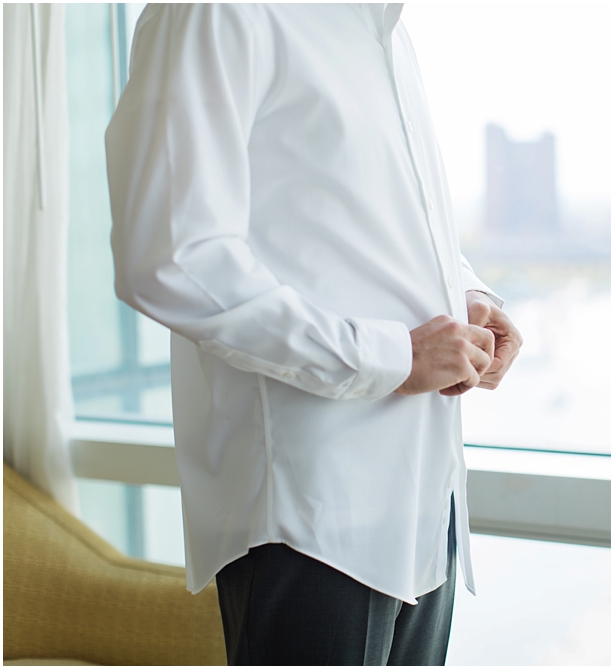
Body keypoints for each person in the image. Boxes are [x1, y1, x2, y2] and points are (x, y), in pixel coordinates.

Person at [106, 4, 521, 665]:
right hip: (310, 512)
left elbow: (366, 221)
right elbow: (172, 258)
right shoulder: (216, 11)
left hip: (426, 500)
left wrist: (467, 296)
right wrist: (391, 357)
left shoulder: (385, 31)